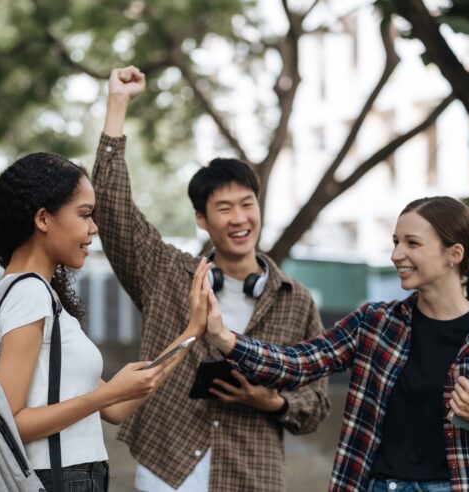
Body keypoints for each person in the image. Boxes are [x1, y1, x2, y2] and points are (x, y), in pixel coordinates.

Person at [206, 195, 469, 492]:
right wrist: (226, 339)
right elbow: (297, 363)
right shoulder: (374, 323)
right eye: (395, 242)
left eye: (412, 243)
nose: (396, 254)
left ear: (454, 253)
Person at [91, 66, 330, 491]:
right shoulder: (166, 272)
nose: (239, 219)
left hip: (252, 474)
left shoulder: (297, 300)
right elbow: (111, 209)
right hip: (167, 467)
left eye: (247, 204)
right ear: (201, 219)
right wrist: (118, 103)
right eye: (224, 208)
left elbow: (316, 403)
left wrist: (270, 400)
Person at [0, 151, 211, 492]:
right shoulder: (27, 294)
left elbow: (117, 407)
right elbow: (10, 421)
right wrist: (103, 397)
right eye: (85, 215)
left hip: (74, 475)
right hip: (55, 478)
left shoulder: (39, 294)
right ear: (43, 218)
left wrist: (192, 332)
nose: (94, 228)